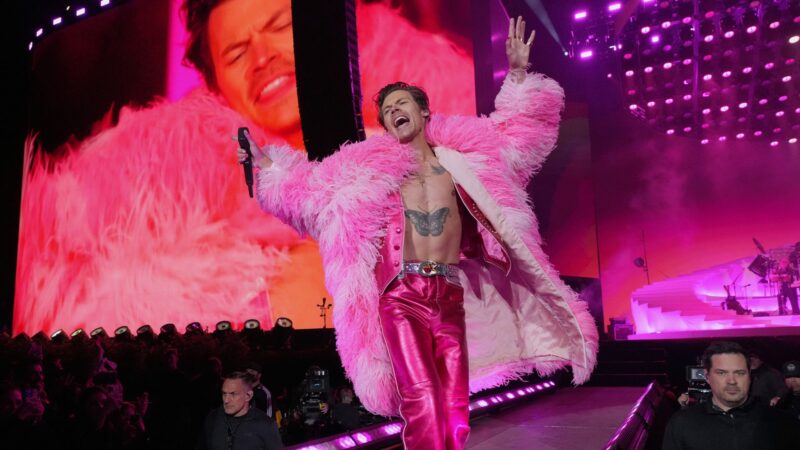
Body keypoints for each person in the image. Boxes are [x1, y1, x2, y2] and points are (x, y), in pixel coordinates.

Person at [237, 16, 597, 450]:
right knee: (421, 395)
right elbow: (310, 191)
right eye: (387, 112)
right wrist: (268, 164)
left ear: (422, 112)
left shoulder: (465, 161)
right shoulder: (369, 173)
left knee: (454, 398)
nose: (393, 113)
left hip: (449, 292)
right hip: (401, 293)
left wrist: (518, 74)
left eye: (400, 104)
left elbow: (516, 137)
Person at [16, 0, 477, 335]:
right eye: (236, 54)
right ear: (218, 88)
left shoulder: (417, 152)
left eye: (279, 26)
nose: (262, 59)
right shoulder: (198, 235)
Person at [663, 341, 799, 450]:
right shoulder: (682, 423)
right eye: (721, 373)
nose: (732, 381)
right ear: (707, 377)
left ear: (749, 377)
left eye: (739, 373)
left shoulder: (781, 422)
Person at [198, 371, 282, 450]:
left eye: (233, 394)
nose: (226, 400)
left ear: (248, 395)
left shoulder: (266, 425)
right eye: (224, 393)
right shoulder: (213, 418)